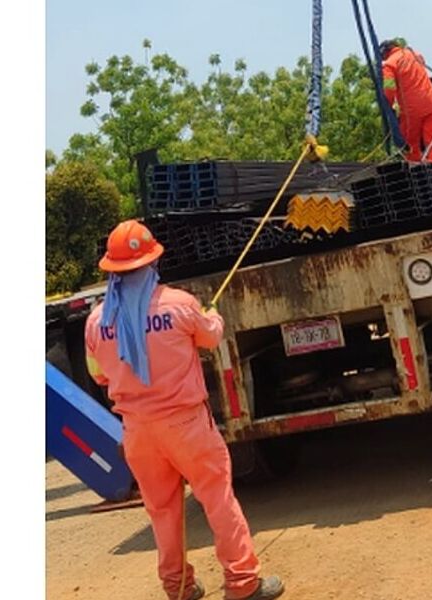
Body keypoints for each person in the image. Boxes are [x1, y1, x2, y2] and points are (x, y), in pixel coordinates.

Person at [84, 219, 285, 600]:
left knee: (162, 512)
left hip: (138, 431)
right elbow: (210, 337)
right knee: (218, 499)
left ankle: (178, 588)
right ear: (151, 263)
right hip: (187, 425)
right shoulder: (180, 304)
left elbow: (100, 377)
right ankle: (243, 583)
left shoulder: (97, 322)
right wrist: (214, 315)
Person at [379, 37, 432, 163]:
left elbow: (389, 89)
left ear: (384, 54)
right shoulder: (413, 54)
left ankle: (414, 168)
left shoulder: (389, 65)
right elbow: (422, 62)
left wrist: (389, 106)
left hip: (412, 110)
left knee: (409, 142)